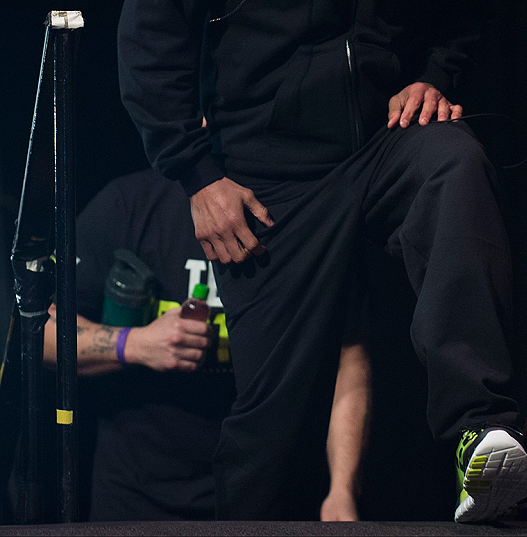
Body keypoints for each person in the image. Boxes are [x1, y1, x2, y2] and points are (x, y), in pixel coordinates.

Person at [117, 0, 527, 522]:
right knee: (270, 435)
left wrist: (439, 78)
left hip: (386, 146)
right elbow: (150, 33)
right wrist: (198, 173)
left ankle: (480, 435)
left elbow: (473, 14)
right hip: (271, 182)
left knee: (454, 162)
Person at [43, 168, 371, 521]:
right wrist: (135, 344)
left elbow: (347, 362)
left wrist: (342, 490)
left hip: (268, 496)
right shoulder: (130, 202)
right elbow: (41, 334)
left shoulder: (298, 207)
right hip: (137, 495)